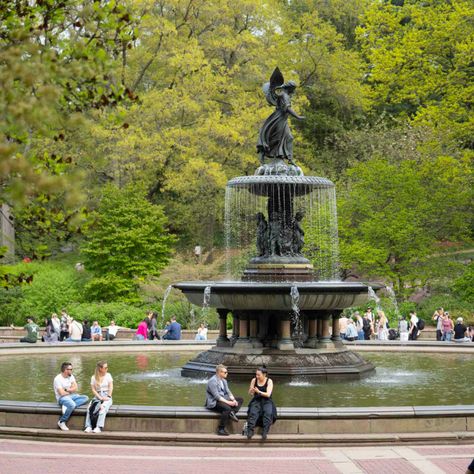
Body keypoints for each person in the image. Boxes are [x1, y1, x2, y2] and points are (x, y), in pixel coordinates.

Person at [205, 364, 243, 436]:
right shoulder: (212, 381)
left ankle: (232, 413)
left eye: (226, 372)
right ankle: (221, 429)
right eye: (225, 372)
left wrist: (233, 400)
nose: (227, 373)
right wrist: (228, 402)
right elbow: (216, 396)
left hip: (223, 399)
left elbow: (228, 392)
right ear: (219, 372)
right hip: (214, 402)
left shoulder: (224, 381)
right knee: (227, 409)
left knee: (240, 399)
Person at [53, 361, 89, 431]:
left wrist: (66, 390)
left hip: (71, 396)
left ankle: (67, 406)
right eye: (71, 369)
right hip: (62, 398)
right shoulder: (57, 379)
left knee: (85, 398)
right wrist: (70, 390)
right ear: (65, 370)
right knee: (72, 404)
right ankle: (62, 421)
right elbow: (61, 393)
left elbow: (76, 388)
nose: (72, 371)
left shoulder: (71, 376)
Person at [246, 366, 277, 440]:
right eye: (256, 374)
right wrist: (251, 391)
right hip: (256, 400)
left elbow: (268, 394)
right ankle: (250, 431)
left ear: (264, 374)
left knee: (268, 413)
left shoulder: (269, 381)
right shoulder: (254, 380)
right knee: (253, 412)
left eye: (258, 375)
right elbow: (250, 393)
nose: (257, 376)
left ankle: (265, 432)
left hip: (267, 400)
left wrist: (258, 392)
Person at [84, 360, 113, 433]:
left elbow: (111, 387)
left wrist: (108, 396)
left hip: (107, 395)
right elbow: (93, 390)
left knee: (102, 408)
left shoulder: (108, 375)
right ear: (100, 368)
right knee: (89, 408)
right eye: (105, 368)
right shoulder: (93, 377)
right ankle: (88, 426)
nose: (107, 369)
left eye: (107, 367)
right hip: (97, 395)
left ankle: (98, 427)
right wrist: (99, 398)